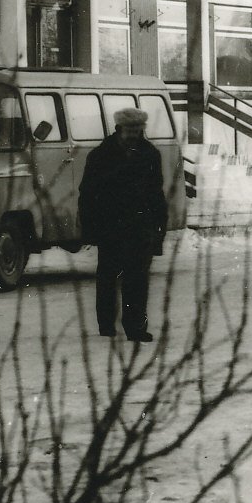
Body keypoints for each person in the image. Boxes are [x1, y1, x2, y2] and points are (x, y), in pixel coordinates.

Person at [78, 104, 168, 341]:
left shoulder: (150, 155)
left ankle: (135, 328)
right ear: (119, 129)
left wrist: (160, 228)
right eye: (130, 131)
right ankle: (106, 325)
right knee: (108, 278)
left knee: (137, 281)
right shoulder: (100, 155)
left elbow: (157, 194)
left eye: (138, 131)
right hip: (111, 227)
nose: (134, 136)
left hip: (141, 228)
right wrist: (89, 229)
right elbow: (87, 194)